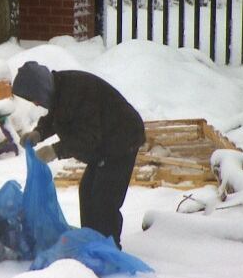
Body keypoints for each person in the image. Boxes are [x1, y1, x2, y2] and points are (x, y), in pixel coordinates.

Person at [12, 61, 145, 248]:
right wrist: (39, 133)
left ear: (41, 88)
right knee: (87, 192)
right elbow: (56, 116)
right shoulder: (58, 89)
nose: (35, 103)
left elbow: (88, 138)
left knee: (103, 199)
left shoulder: (77, 91)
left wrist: (55, 151)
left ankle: (110, 249)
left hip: (121, 139)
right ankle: (92, 244)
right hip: (103, 143)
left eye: (34, 98)